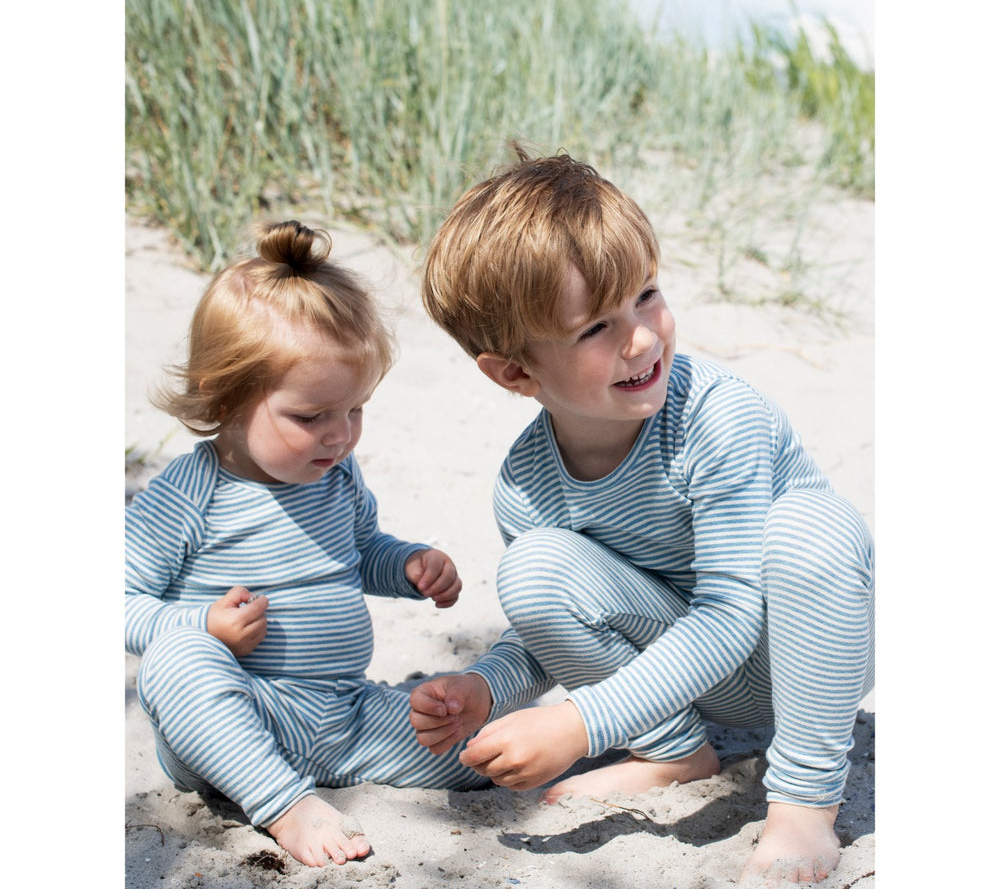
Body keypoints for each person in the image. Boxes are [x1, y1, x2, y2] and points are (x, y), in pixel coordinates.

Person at [409, 149, 874, 886]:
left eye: (647, 295)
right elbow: (555, 623)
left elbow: (729, 617)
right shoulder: (526, 484)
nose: (644, 338)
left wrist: (582, 723)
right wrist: (489, 688)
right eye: (596, 327)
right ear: (516, 373)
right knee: (533, 567)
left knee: (812, 527)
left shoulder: (718, 417)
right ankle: (674, 752)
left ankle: (805, 803)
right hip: (695, 676)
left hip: (807, 648)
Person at [126, 220, 514, 868]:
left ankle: (599, 752)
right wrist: (203, 626)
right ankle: (284, 804)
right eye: (310, 417)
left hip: (345, 715)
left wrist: (407, 565)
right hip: (239, 717)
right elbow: (120, 603)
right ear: (225, 395)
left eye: (355, 409)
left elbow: (362, 551)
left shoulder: (335, 474)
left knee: (479, 739)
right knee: (176, 661)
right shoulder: (191, 492)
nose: (340, 435)